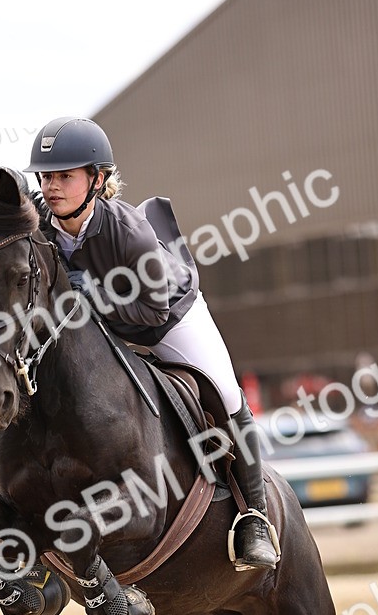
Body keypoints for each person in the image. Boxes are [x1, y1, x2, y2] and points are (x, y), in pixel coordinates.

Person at [24, 116, 280, 571]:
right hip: (102, 331)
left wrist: (90, 304)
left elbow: (151, 313)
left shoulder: (128, 231)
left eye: (65, 176)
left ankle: (254, 517)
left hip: (166, 320)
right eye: (46, 177)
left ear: (97, 180)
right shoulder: (41, 225)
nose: (52, 187)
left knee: (223, 391)